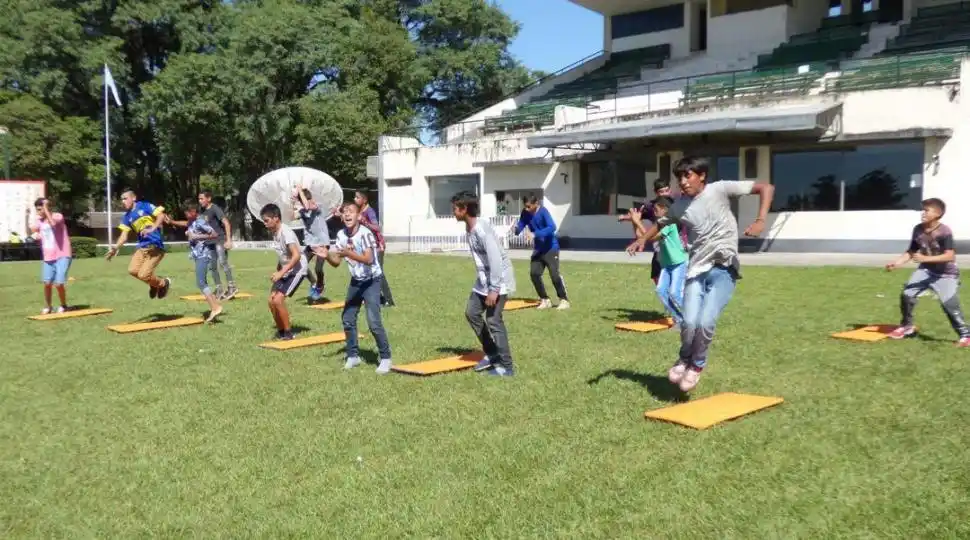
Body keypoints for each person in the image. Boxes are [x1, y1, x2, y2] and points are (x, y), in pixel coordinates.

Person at [627, 156, 774, 392]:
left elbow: (766, 187)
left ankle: (696, 365)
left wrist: (760, 220)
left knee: (705, 322)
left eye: (688, 175)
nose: (683, 182)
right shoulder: (678, 206)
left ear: (702, 175)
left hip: (724, 269)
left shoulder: (720, 189)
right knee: (689, 322)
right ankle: (684, 358)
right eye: (680, 177)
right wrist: (642, 239)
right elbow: (661, 223)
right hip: (696, 269)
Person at [885, 198, 970, 347]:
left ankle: (965, 335)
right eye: (923, 210)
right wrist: (897, 263)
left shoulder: (944, 231)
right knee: (907, 294)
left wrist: (925, 257)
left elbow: (950, 255)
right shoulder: (918, 229)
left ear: (938, 214)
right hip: (926, 270)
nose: (923, 213)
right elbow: (911, 251)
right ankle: (907, 327)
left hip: (946, 273)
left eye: (927, 210)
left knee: (949, 304)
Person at [451, 191, 517, 377]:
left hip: (499, 279)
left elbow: (496, 259)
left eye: (455, 208)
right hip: (484, 280)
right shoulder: (470, 228)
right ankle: (492, 353)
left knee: (494, 320)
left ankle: (507, 367)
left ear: (464, 209)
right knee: (472, 313)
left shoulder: (482, 229)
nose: (453, 212)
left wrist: (494, 289)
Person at [326, 202, 394, 374]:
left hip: (371, 281)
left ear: (358, 216)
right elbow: (336, 262)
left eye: (351, 212)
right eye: (345, 212)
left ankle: (385, 358)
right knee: (348, 318)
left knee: (373, 322)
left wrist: (349, 253)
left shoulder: (366, 234)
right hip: (356, 281)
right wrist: (326, 254)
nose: (347, 215)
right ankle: (353, 356)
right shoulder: (341, 235)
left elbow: (369, 259)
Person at [105, 190, 172, 299]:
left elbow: (161, 215)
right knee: (132, 270)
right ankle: (155, 283)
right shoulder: (127, 217)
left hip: (155, 246)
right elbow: (124, 236)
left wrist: (153, 228)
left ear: (134, 198)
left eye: (125, 198)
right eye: (121, 199)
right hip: (142, 247)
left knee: (143, 275)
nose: (123, 201)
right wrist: (115, 248)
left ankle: (164, 283)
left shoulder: (145, 206)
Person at [164, 202, 223, 322]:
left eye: (186, 212)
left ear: (192, 212)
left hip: (203, 255)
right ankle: (215, 307)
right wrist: (172, 222)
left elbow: (214, 234)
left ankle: (215, 307)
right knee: (202, 282)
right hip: (198, 255)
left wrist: (196, 236)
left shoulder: (200, 221)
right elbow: (186, 224)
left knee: (201, 282)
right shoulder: (192, 221)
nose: (185, 215)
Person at [261, 203, 308, 340]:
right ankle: (281, 331)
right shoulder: (275, 233)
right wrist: (278, 271)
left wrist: (281, 273)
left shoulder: (286, 232)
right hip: (286, 269)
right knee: (271, 300)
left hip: (298, 269)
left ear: (276, 218)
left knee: (278, 300)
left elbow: (296, 255)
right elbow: (283, 256)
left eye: (266, 220)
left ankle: (288, 333)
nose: (265, 224)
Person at [619, 179, 678, 286]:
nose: (665, 194)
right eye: (661, 191)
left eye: (667, 190)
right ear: (656, 193)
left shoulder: (674, 210)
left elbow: (651, 236)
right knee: (661, 288)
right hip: (660, 250)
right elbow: (639, 218)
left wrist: (636, 221)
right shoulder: (651, 206)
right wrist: (630, 218)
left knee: (672, 291)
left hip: (673, 253)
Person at [514, 195, 570, 310]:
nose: (527, 209)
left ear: (536, 203)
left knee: (554, 275)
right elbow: (521, 223)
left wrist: (535, 234)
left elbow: (552, 227)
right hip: (538, 249)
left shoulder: (543, 212)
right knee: (534, 274)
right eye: (525, 206)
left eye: (529, 206)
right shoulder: (525, 212)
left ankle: (564, 300)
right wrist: (517, 229)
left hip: (551, 248)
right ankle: (545, 299)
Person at [292, 186, 337, 302]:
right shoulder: (302, 210)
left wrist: (300, 191)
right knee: (300, 265)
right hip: (310, 244)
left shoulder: (317, 206)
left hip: (322, 243)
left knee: (318, 268)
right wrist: (293, 201)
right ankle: (313, 282)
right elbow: (293, 216)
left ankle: (320, 285)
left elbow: (308, 206)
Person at [29, 198, 73, 314]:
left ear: (47, 208)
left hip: (62, 254)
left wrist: (46, 209)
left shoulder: (58, 216)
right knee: (47, 283)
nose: (39, 212)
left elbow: (52, 223)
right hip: (48, 256)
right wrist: (35, 233)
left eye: (41, 209)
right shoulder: (39, 221)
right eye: (37, 209)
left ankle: (64, 305)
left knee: (58, 284)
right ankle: (48, 306)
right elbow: (32, 229)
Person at [651, 196, 688, 328]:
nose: (654, 212)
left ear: (665, 210)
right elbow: (643, 237)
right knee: (661, 291)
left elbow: (651, 237)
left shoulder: (669, 223)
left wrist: (637, 222)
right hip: (667, 265)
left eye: (656, 209)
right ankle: (679, 319)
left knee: (675, 293)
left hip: (679, 262)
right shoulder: (659, 224)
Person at [355, 190, 395, 307]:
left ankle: (389, 300)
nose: (355, 199)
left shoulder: (369, 211)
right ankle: (368, 297)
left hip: (378, 246)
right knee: (366, 272)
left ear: (364, 200)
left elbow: (376, 227)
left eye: (357, 197)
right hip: (368, 246)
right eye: (355, 197)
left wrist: (365, 222)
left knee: (378, 273)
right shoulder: (360, 211)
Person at [199, 190, 237, 300]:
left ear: (208, 198)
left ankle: (232, 287)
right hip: (209, 243)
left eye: (202, 198)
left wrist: (229, 240)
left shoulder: (214, 208)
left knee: (223, 263)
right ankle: (219, 289)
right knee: (212, 267)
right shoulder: (202, 211)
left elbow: (226, 223)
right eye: (199, 199)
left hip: (219, 240)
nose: (200, 201)